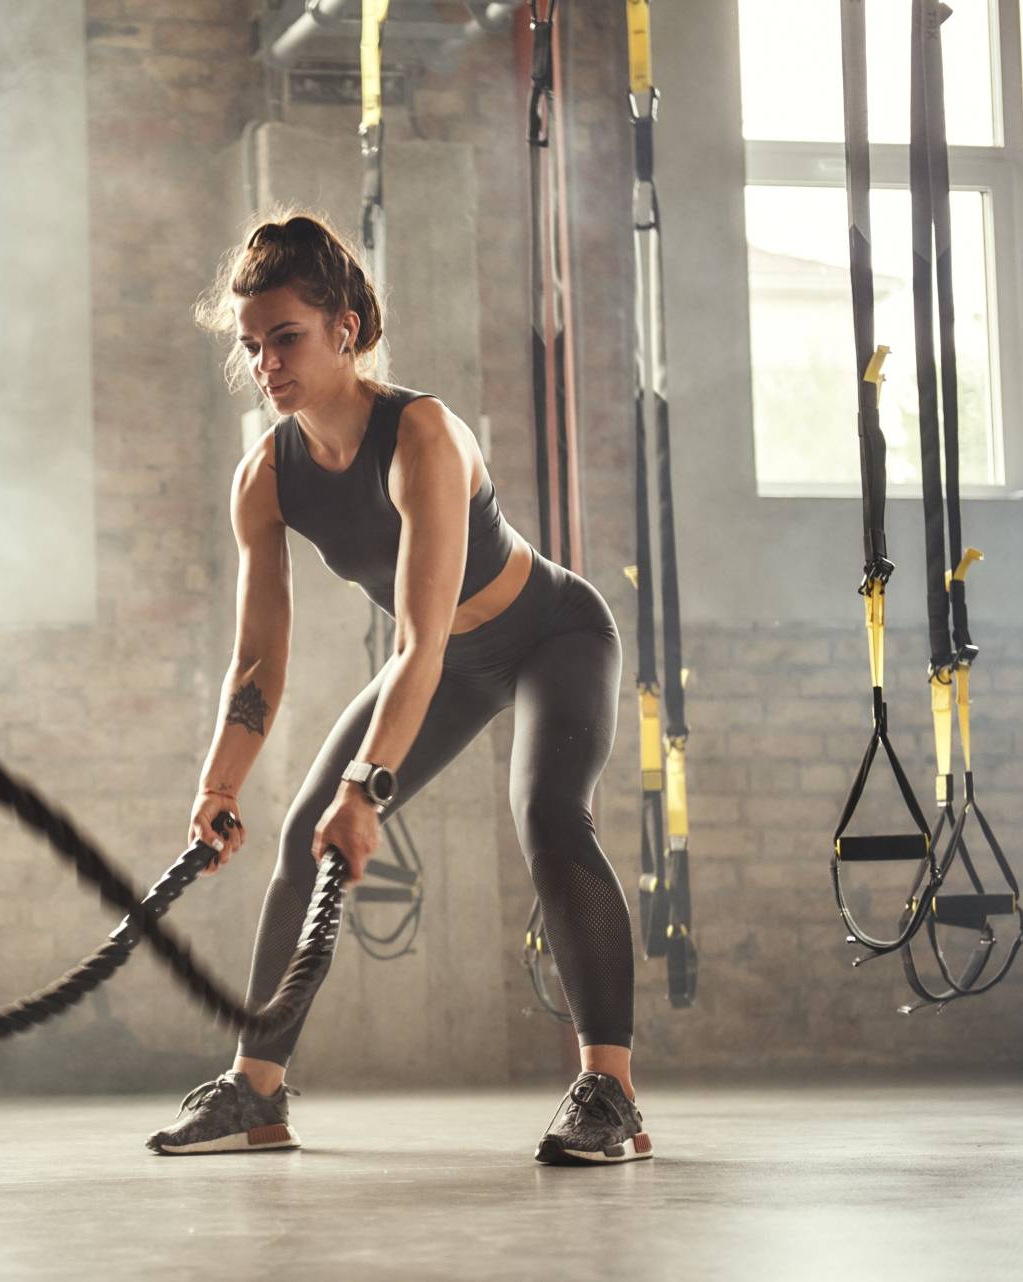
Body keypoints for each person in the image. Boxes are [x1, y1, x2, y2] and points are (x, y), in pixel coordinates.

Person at [145, 213, 650, 1166]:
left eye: (285, 337)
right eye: (251, 346)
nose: (266, 364)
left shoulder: (423, 434)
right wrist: (219, 785)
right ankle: (256, 1093)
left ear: (344, 328)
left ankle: (611, 1091)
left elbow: (418, 636)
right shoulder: (266, 477)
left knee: (549, 815)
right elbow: (257, 663)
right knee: (303, 834)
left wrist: (366, 787)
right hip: (448, 662)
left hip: (552, 636)